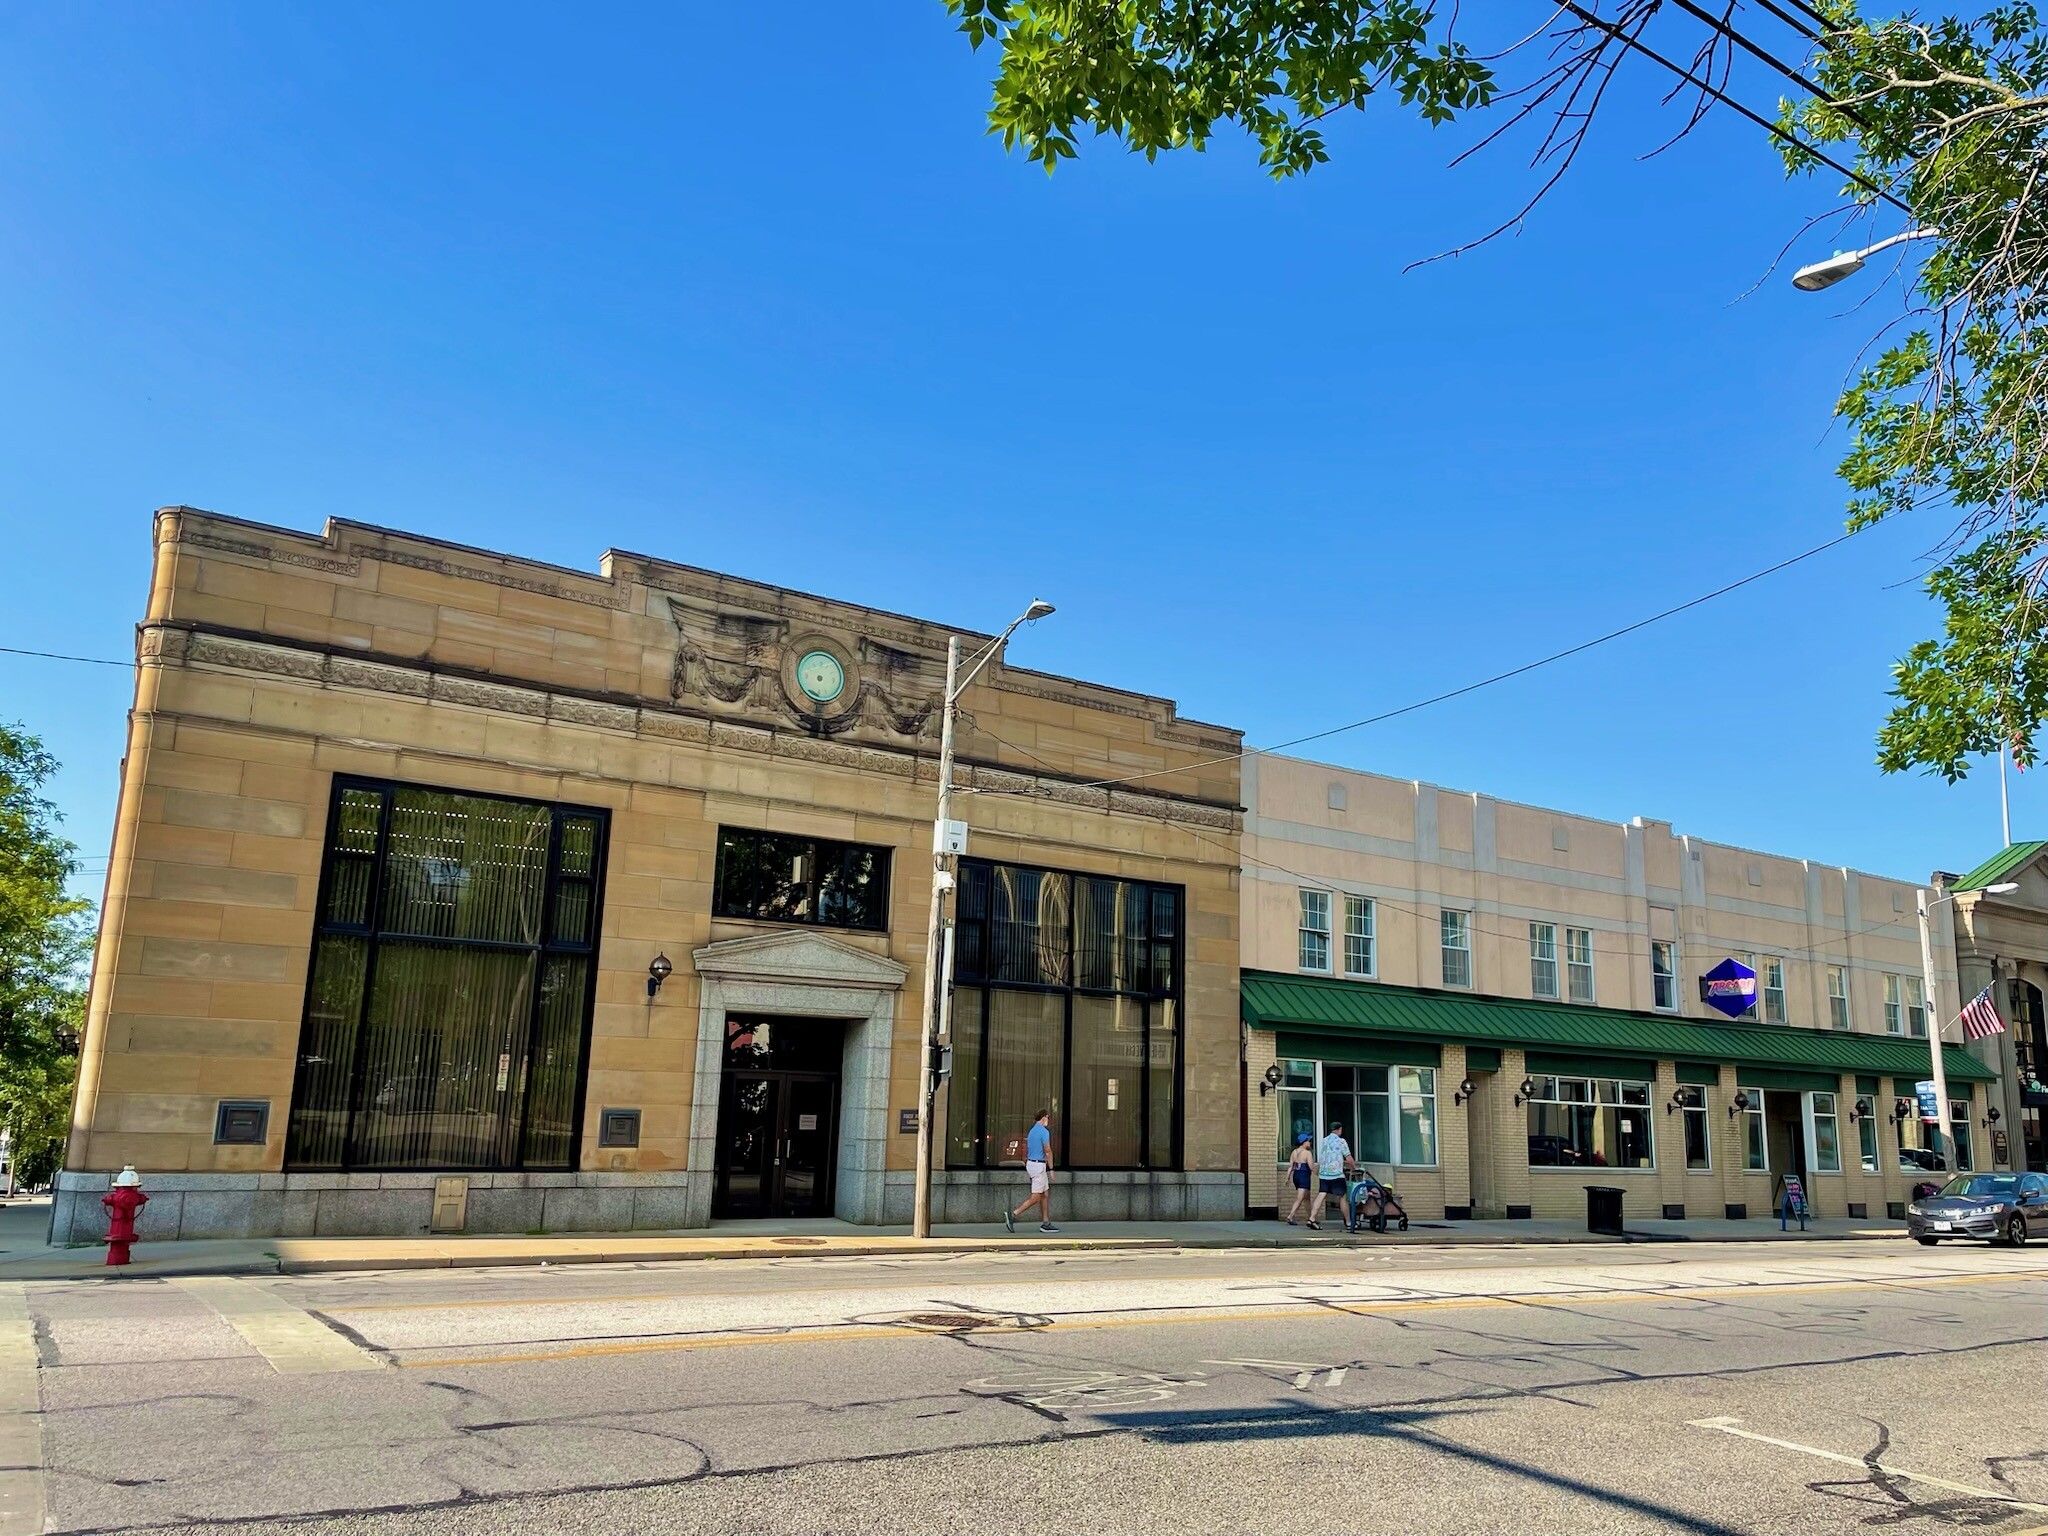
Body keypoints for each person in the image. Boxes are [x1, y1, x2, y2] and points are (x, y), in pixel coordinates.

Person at [1005, 1109, 1060, 1233]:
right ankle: (1013, 1214)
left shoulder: (1032, 1131)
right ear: (1044, 1117)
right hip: (1038, 1166)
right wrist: (1051, 1168)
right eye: (1048, 1117)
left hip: (1032, 1164)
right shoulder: (1044, 1132)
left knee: (1045, 1194)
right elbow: (1048, 1151)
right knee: (1036, 1197)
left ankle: (1046, 1222)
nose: (1048, 1120)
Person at [1311, 1121, 1353, 1231]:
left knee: (1321, 1194)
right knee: (1342, 1197)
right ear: (1340, 1129)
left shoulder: (1324, 1141)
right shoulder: (1341, 1141)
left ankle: (1312, 1218)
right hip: (1336, 1174)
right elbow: (1348, 1158)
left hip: (1324, 1174)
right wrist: (1354, 1167)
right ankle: (1349, 1222)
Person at [1284, 1134, 1315, 1225]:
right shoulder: (1307, 1153)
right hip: (1304, 1176)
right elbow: (1311, 1167)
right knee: (1300, 1198)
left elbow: (1290, 1166)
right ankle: (1290, 1216)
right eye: (1308, 1141)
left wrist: (1287, 1178)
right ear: (1304, 1142)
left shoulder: (1294, 1152)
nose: (1310, 1143)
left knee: (1307, 1198)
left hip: (1296, 1175)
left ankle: (1311, 1217)